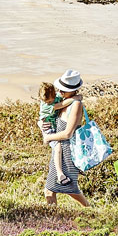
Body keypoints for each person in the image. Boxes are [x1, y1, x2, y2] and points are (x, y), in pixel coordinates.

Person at [42, 70, 89, 206]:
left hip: (68, 152)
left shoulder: (76, 105)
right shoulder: (63, 100)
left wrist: (48, 137)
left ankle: (90, 209)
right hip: (58, 150)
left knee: (68, 189)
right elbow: (46, 108)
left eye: (65, 90)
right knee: (51, 190)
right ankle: (54, 219)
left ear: (74, 90)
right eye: (60, 88)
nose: (60, 92)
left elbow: (68, 133)